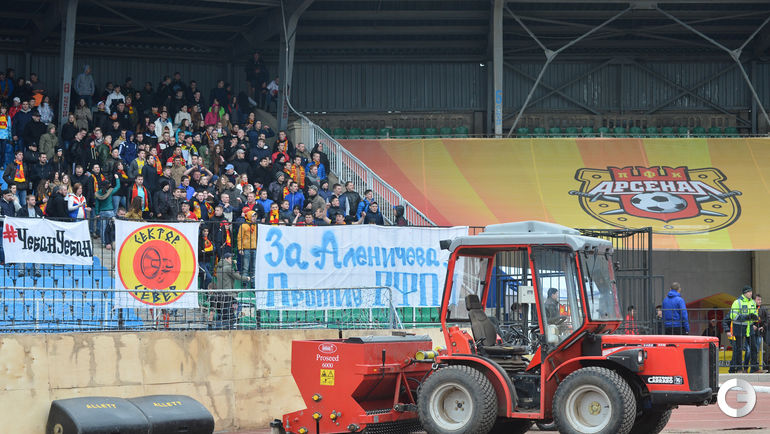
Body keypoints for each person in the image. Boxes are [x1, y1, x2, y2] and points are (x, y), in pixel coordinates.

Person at [210, 252, 250, 330]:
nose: (232, 260)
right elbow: (237, 277)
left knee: (221, 313)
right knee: (230, 313)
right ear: (226, 259)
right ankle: (232, 326)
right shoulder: (228, 268)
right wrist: (247, 278)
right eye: (230, 258)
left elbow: (227, 277)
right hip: (227, 294)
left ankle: (215, 325)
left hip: (219, 294)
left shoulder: (219, 267)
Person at [727, 286, 758, 373]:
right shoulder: (737, 302)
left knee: (754, 347)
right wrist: (746, 317)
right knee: (739, 349)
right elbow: (733, 315)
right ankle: (739, 368)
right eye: (749, 292)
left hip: (749, 327)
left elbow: (754, 313)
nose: (750, 293)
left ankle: (754, 368)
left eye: (751, 292)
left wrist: (755, 317)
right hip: (739, 327)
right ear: (744, 293)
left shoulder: (752, 302)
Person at [750, 294, 767, 373]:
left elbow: (767, 319)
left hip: (759, 333)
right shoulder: (750, 307)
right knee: (749, 350)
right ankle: (747, 368)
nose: (760, 301)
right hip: (750, 333)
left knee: (756, 349)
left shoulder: (763, 309)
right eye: (758, 300)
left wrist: (763, 326)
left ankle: (755, 368)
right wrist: (752, 325)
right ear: (754, 300)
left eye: (760, 300)